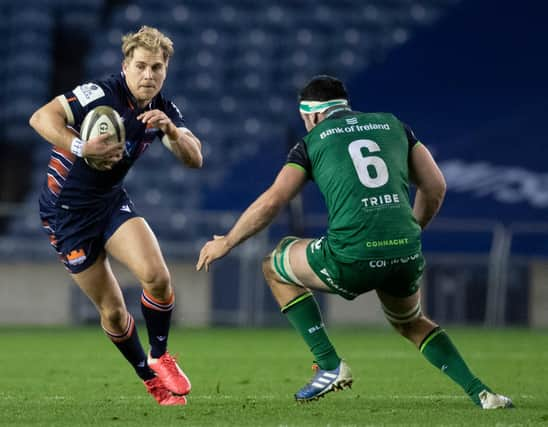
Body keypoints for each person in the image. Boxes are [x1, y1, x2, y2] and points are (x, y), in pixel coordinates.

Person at [196, 75, 513, 409]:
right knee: (411, 322)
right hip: (405, 250)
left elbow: (275, 200)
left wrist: (228, 241)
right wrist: (410, 232)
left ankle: (328, 364)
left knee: (274, 264)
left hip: (352, 255)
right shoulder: (394, 125)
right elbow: (435, 186)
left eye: (306, 120)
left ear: (313, 115)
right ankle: (483, 394)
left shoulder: (312, 141)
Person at [29, 26, 202, 406]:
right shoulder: (100, 94)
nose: (148, 76)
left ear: (166, 70)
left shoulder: (164, 110)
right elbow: (41, 117)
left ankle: (160, 355)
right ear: (125, 66)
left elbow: (195, 158)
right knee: (112, 309)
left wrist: (172, 131)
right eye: (140, 66)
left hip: (109, 202)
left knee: (157, 277)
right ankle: (147, 377)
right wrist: (80, 145)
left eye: (156, 68)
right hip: (66, 215)